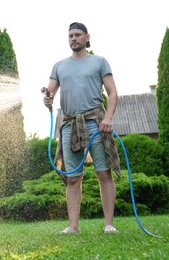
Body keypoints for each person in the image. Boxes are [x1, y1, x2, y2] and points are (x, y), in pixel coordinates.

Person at [43, 22, 121, 235]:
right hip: (69, 124)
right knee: (73, 177)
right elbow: (49, 92)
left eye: (77, 35)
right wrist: (47, 99)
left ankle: (109, 224)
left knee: (103, 173)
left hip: (95, 122)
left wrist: (108, 117)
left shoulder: (99, 62)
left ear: (87, 37)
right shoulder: (59, 66)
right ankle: (73, 226)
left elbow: (113, 93)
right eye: (70, 35)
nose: (73, 38)